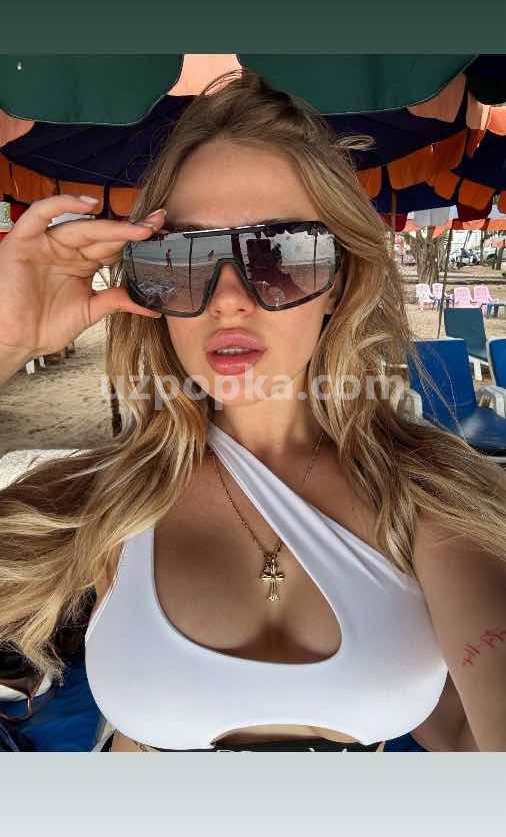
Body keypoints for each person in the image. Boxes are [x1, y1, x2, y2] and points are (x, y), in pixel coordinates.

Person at [0, 71, 505, 753]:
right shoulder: (93, 500)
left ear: (340, 281)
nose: (228, 298)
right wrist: (7, 343)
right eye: (183, 257)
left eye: (282, 253)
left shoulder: (428, 494)